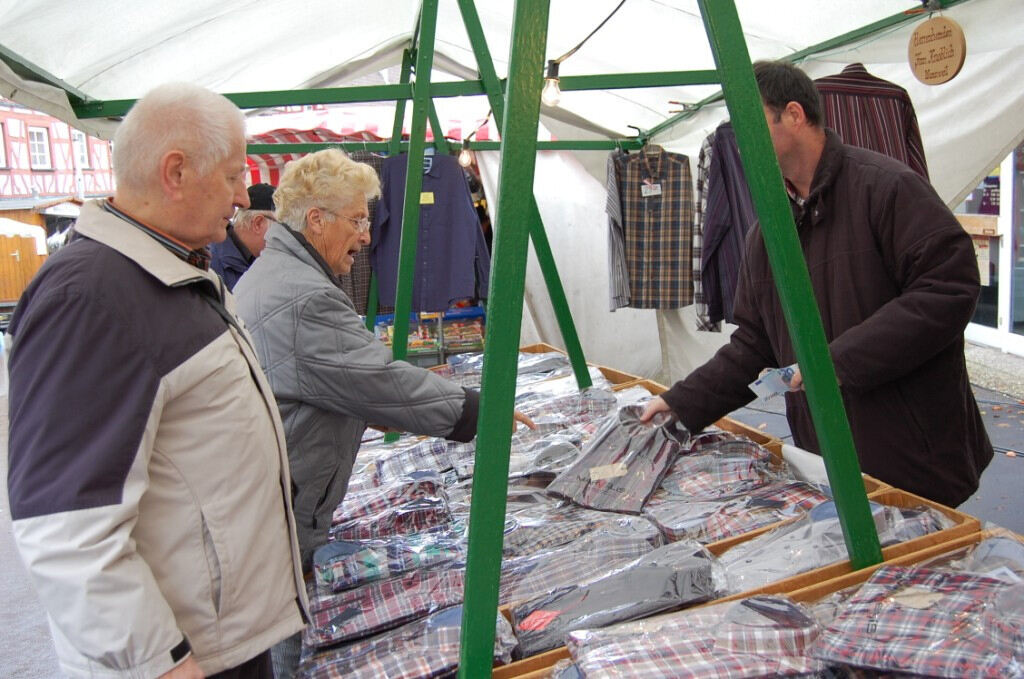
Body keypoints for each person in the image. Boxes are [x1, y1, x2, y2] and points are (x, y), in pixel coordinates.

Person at [6, 83, 307, 679]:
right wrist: (162, 663)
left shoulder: (168, 269)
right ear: (176, 171)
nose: (243, 195)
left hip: (218, 640)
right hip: (180, 657)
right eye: (230, 177)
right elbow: (65, 525)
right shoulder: (91, 298)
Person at [232, 148, 533, 678]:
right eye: (358, 220)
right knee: (281, 645)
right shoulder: (303, 296)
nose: (367, 236)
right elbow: (379, 379)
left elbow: (326, 376)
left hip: (274, 494)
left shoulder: (271, 274)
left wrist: (373, 408)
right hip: (284, 504)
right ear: (317, 220)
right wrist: (479, 411)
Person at [642, 60, 992, 508]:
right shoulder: (768, 229)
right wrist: (682, 403)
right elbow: (755, 344)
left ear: (794, 114)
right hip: (825, 455)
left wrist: (833, 364)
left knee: (919, 572)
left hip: (911, 450)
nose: (740, 141)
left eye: (751, 122)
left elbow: (948, 289)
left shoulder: (888, 187)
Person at [210, 182, 275, 289]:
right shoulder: (211, 261)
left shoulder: (267, 261)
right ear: (258, 223)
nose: (285, 235)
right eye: (282, 226)